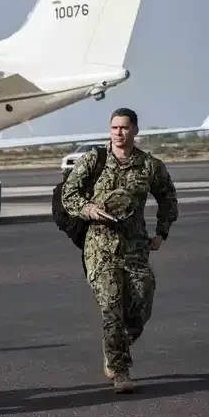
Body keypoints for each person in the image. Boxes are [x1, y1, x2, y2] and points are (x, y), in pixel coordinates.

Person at [61, 107, 178, 393]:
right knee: (111, 309)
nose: (118, 133)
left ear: (135, 130)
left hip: (135, 247)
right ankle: (120, 371)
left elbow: (168, 197)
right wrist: (88, 209)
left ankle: (116, 346)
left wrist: (162, 232)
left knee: (141, 302)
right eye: (114, 127)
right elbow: (69, 194)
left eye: (124, 127)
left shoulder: (149, 165)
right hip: (100, 247)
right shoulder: (94, 160)